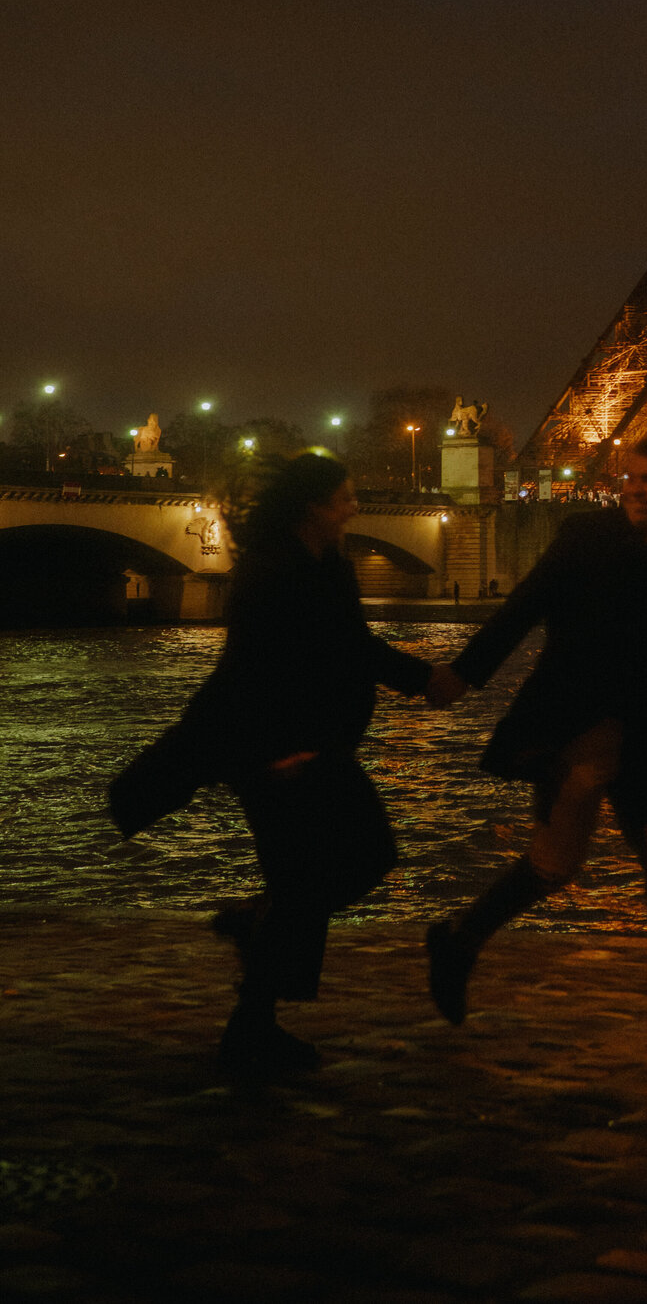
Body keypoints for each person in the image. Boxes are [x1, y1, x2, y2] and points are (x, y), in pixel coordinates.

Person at [110, 450, 441, 1080]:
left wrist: (423, 678)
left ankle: (257, 957)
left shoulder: (326, 566)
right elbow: (254, 674)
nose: (355, 507)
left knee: (350, 865)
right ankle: (251, 1024)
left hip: (317, 744)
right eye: (345, 497)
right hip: (271, 747)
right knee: (318, 875)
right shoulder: (270, 574)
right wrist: (278, 753)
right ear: (315, 505)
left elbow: (350, 646)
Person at [424, 438, 647, 1040]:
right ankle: (460, 939)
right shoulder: (585, 536)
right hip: (573, 729)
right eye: (631, 479)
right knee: (555, 866)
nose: (637, 489)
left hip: (638, 728)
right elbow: (525, 606)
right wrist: (466, 673)